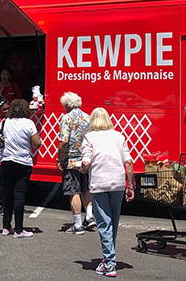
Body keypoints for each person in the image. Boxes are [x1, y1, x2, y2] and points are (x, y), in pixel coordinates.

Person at [80, 107, 134, 278]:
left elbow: (86, 161)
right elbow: (129, 162)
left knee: (104, 223)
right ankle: (108, 258)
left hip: (99, 183)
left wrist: (81, 168)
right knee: (113, 222)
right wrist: (130, 185)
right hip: (118, 183)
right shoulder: (118, 136)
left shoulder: (90, 137)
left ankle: (110, 264)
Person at [0, 99, 41, 238]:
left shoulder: (5, 121)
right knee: (19, 196)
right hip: (23, 162)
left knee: (8, 194)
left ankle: (6, 227)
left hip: (6, 160)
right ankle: (18, 229)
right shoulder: (28, 123)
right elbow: (37, 144)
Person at [57, 92, 95, 235]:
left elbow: (63, 142)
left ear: (67, 104)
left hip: (72, 160)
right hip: (85, 159)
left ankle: (77, 224)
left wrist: (59, 158)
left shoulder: (66, 118)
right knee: (86, 188)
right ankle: (90, 216)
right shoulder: (88, 117)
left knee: (74, 191)